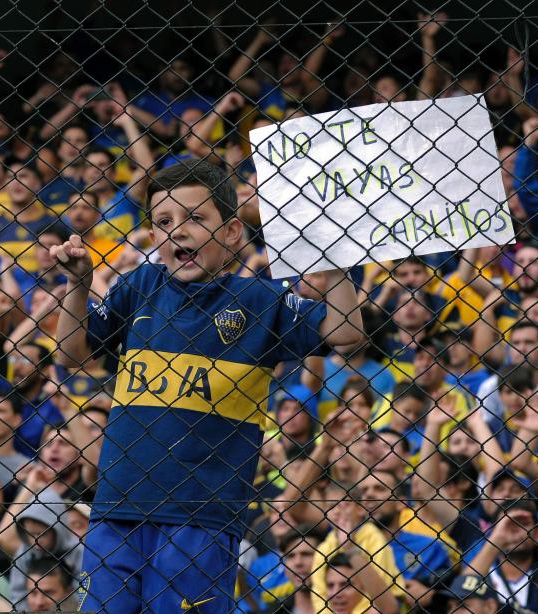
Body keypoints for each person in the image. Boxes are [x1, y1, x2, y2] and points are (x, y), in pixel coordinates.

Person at [51, 159, 364, 612]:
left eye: (196, 218)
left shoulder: (262, 299)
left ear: (233, 231)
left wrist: (332, 258)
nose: (178, 230)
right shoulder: (141, 284)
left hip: (203, 516)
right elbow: (71, 354)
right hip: (118, 506)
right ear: (153, 236)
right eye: (163, 222)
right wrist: (79, 283)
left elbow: (346, 332)